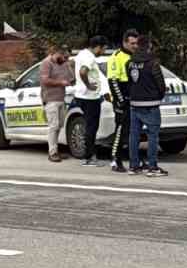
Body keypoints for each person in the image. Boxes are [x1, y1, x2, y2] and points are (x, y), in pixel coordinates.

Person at [127, 39, 168, 176]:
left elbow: (130, 82)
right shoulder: (153, 63)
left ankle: (134, 166)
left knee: (134, 136)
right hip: (151, 105)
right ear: (149, 47)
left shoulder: (130, 63)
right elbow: (161, 84)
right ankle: (152, 167)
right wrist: (159, 96)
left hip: (134, 104)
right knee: (152, 136)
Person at [106, 29, 139, 174]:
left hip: (135, 99)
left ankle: (135, 159)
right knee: (121, 130)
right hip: (122, 99)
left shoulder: (135, 56)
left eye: (136, 43)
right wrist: (120, 100)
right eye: (132, 43)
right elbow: (113, 81)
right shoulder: (116, 57)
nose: (135, 46)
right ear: (124, 42)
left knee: (135, 131)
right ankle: (115, 159)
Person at [73, 35, 108, 166]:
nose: (103, 52)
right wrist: (88, 85)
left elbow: (75, 68)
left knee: (89, 126)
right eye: (103, 49)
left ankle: (89, 156)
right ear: (98, 47)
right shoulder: (89, 57)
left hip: (83, 96)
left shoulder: (82, 54)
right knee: (92, 127)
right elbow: (83, 72)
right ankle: (89, 157)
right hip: (89, 97)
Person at [39, 45, 74, 162]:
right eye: (64, 57)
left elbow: (71, 79)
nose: (65, 59)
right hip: (50, 99)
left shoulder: (63, 63)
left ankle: (56, 150)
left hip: (61, 98)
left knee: (59, 125)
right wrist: (60, 83)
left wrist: (68, 65)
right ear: (57, 53)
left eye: (67, 57)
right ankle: (52, 152)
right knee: (53, 126)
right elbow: (45, 80)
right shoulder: (46, 63)